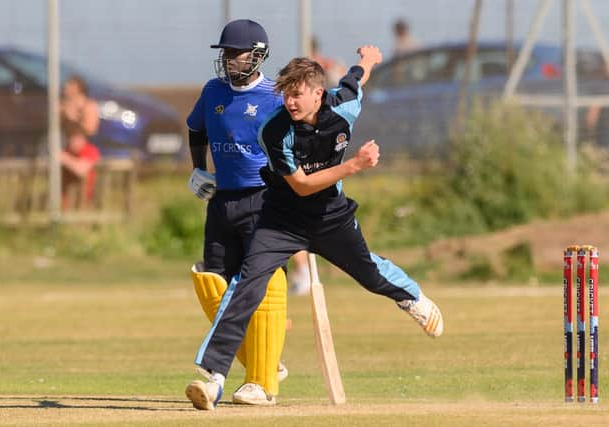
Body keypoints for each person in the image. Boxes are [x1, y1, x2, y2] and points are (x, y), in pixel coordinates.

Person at [185, 45, 444, 411]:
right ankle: (214, 378)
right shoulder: (273, 130)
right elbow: (302, 185)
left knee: (368, 273)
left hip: (330, 218)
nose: (289, 101)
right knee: (246, 286)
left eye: (297, 94)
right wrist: (354, 165)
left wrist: (368, 59)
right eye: (286, 93)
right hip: (281, 218)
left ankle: (411, 297)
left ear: (318, 93)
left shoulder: (344, 105)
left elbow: (356, 78)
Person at [185, 19, 289, 407]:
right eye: (225, 53)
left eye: (236, 52)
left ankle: (252, 382)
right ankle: (265, 362)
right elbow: (196, 129)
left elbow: (296, 143)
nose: (229, 59)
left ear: (258, 55)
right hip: (222, 201)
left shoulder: (274, 97)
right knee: (213, 282)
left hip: (264, 201)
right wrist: (198, 168)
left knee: (259, 288)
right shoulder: (212, 90)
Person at [60, 120, 100, 210]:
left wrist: (65, 159)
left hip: (83, 202)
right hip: (65, 202)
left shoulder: (90, 150)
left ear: (84, 138)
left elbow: (81, 170)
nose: (72, 141)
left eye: (76, 138)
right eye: (70, 137)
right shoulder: (67, 151)